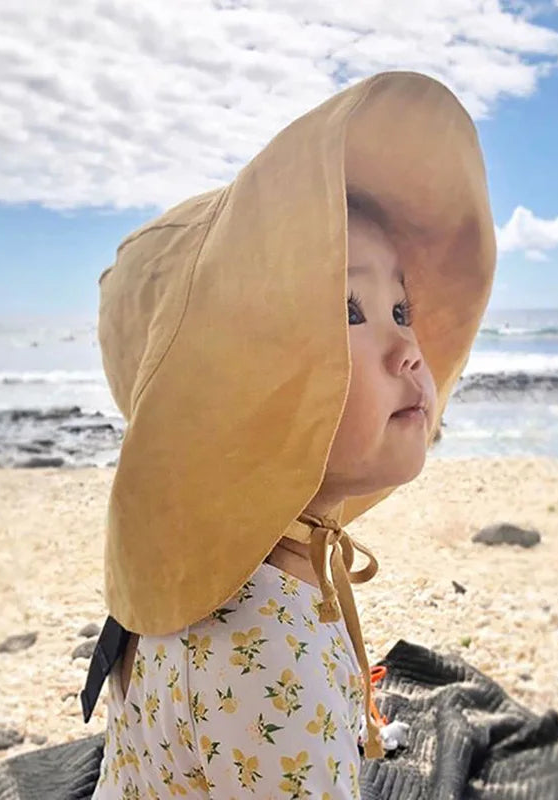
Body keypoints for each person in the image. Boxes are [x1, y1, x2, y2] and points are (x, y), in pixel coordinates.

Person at [88, 70, 496, 798]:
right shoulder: (274, 650)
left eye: (400, 310)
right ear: (225, 388)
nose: (409, 350)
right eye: (346, 311)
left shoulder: (197, 568)